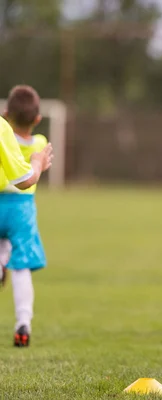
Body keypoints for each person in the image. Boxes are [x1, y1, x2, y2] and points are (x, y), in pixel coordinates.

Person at [0, 85, 53, 347]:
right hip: (21, 208)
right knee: (21, 266)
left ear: (6, 112)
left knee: (2, 248)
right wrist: (38, 162)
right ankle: (23, 321)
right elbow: (32, 173)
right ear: (37, 119)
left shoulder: (2, 134)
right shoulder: (41, 143)